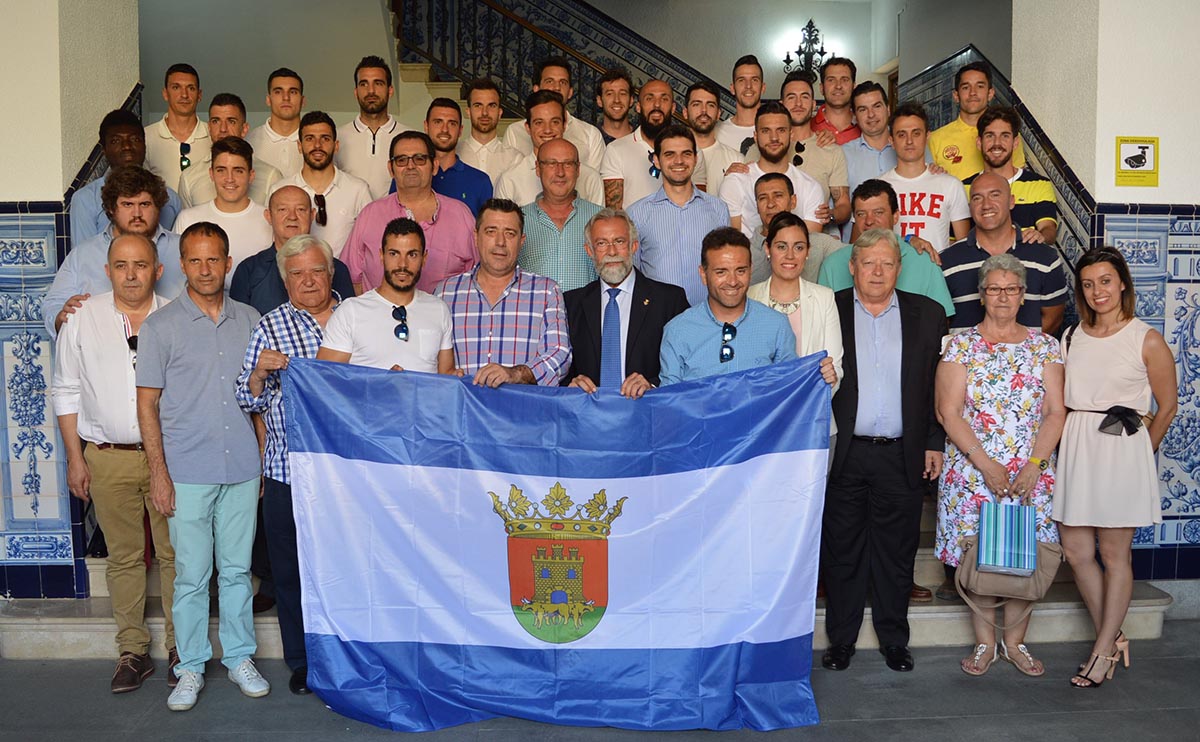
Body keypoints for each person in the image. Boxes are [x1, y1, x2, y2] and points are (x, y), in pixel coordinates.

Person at [136, 222, 266, 711]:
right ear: (181, 266)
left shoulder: (251, 319)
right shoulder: (161, 327)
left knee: (236, 571)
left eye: (214, 260)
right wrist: (158, 472)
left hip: (242, 468)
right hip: (186, 469)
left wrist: (260, 448)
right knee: (191, 574)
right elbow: (147, 405)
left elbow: (260, 398)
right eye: (196, 260)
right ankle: (189, 666)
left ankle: (238, 658)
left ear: (228, 263)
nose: (206, 269)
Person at [51, 233, 177, 694]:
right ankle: (133, 651)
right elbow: (64, 389)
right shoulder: (82, 318)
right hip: (107, 458)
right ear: (107, 270)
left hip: (167, 458)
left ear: (157, 270)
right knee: (123, 558)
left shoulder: (175, 316)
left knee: (175, 555)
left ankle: (182, 648)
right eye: (121, 265)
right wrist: (73, 458)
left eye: (140, 265)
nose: (130, 274)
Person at [934, 253, 1066, 677]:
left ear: (1023, 294)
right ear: (982, 293)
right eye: (994, 288)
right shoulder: (961, 345)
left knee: (1026, 558)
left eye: (1011, 288)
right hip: (974, 472)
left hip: (1031, 473)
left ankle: (1016, 642)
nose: (1003, 296)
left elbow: (1055, 413)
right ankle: (985, 645)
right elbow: (948, 412)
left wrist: (1034, 464)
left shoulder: (1045, 346)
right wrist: (986, 464)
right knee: (981, 558)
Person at [821, 228, 946, 674]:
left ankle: (895, 639)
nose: (877, 271)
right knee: (843, 550)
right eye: (868, 262)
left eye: (887, 262)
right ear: (852, 266)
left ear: (899, 268)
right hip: (845, 452)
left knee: (897, 552)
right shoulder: (828, 309)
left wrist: (934, 441)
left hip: (902, 453)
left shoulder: (928, 314)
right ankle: (841, 641)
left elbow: (936, 387)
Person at [1055, 247, 1177, 688]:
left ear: (1122, 282)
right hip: (1078, 443)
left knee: (1113, 554)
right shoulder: (1073, 336)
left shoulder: (1145, 338)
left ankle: (1102, 650)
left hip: (1121, 447)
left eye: (1105, 281)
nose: (1096, 291)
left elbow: (1168, 406)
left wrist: (1141, 453)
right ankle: (1116, 633)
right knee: (1076, 551)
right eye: (1088, 284)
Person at [236, 234, 341, 696]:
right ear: (284, 280)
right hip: (286, 474)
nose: (307, 281)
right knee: (291, 574)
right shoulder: (270, 326)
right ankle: (302, 662)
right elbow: (243, 394)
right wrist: (259, 372)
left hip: (346, 477)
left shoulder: (357, 318)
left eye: (316, 270)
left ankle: (347, 653)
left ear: (331, 272)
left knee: (345, 568)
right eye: (296, 273)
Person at [436, 199, 571, 386]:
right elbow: (428, 356)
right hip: (461, 411)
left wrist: (515, 374)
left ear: (521, 241)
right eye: (491, 232)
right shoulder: (445, 293)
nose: (500, 242)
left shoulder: (546, 292)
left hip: (521, 412)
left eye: (510, 233)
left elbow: (560, 354)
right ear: (476, 236)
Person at [45, 166, 186, 337]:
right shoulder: (83, 254)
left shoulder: (183, 249)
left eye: (145, 204)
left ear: (158, 207)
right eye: (127, 204)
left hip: (173, 351)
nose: (137, 213)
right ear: (111, 208)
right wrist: (60, 318)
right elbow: (53, 304)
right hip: (101, 353)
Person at [564, 208, 689, 397]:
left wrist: (653, 385)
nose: (612, 251)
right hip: (588, 417)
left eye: (619, 241)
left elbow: (688, 363)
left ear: (633, 246)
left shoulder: (670, 300)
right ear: (589, 251)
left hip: (648, 414)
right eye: (601, 243)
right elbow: (558, 364)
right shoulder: (570, 304)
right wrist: (570, 384)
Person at [659, 228, 802, 384]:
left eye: (740, 271)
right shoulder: (677, 330)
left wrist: (821, 375)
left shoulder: (776, 325)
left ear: (750, 270)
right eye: (721, 272)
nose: (732, 282)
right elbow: (669, 399)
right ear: (703, 274)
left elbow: (790, 389)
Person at [342, 131, 477, 293]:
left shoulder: (461, 215)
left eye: (419, 159)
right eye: (401, 160)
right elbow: (351, 278)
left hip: (444, 317)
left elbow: (477, 276)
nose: (411, 166)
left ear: (434, 166)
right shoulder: (370, 215)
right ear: (391, 169)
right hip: (380, 317)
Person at [318, 219, 455, 372]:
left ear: (424, 258)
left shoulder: (439, 309)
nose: (402, 264)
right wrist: (381, 386)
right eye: (394, 254)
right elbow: (324, 379)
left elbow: (447, 378)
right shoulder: (350, 311)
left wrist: (459, 378)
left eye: (412, 255)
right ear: (381, 255)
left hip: (426, 397)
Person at [940, 172, 1067, 333]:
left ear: (1011, 202)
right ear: (970, 207)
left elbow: (1053, 318)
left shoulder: (1045, 258)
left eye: (995, 195)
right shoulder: (947, 261)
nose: (986, 205)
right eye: (977, 198)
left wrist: (1020, 352)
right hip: (964, 357)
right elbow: (940, 322)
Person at [818, 180, 955, 319]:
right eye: (861, 214)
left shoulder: (924, 261)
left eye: (878, 212)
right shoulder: (833, 264)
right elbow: (820, 322)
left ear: (895, 216)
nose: (869, 221)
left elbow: (942, 320)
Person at [627, 125, 731, 306]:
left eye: (686, 154)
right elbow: (633, 273)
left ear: (696, 159)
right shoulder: (636, 213)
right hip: (657, 319)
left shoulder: (718, 209)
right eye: (669, 154)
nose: (679, 161)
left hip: (708, 317)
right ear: (657, 161)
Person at [747, 212, 843, 392]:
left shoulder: (824, 298)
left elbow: (835, 367)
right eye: (781, 247)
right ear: (768, 249)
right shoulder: (749, 297)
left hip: (812, 412)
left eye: (798, 247)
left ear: (808, 251)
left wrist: (829, 380)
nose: (790, 255)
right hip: (763, 414)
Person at [230, 185, 356, 316]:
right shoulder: (249, 270)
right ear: (268, 216)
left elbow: (350, 319)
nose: (292, 217)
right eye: (282, 209)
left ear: (312, 215)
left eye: (301, 210)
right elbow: (239, 325)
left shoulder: (335, 268)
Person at [719, 101, 824, 244]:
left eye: (781, 130)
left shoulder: (811, 187)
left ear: (791, 134)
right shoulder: (735, 181)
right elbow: (732, 244)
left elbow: (808, 247)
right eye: (765, 131)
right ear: (755, 136)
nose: (774, 138)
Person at [71, 109, 182, 242]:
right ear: (104, 150)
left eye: (135, 139)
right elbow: (86, 258)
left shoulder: (170, 199)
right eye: (116, 141)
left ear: (144, 145)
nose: (127, 146)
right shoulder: (86, 199)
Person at [271, 111, 372, 255]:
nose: (317, 145)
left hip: (343, 276)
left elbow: (369, 243)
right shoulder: (280, 190)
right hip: (291, 276)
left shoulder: (358, 190)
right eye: (310, 138)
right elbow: (272, 242)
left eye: (325, 138)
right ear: (299, 146)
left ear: (336, 145)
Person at [173, 136, 272, 283]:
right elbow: (177, 275)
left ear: (251, 176)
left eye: (238, 171)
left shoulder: (269, 220)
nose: (229, 179)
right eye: (221, 170)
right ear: (211, 174)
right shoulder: (188, 219)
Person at [876, 103, 970, 253]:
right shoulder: (878, 187)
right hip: (891, 273)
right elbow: (868, 241)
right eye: (901, 134)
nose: (909, 141)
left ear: (927, 136)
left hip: (937, 273)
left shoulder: (950, 185)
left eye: (916, 133)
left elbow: (964, 246)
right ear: (891, 141)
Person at [601, 78, 706, 209]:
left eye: (664, 99)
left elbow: (700, 205)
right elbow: (614, 212)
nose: (657, 105)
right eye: (649, 99)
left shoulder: (692, 151)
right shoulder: (616, 150)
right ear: (638, 107)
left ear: (673, 108)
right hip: (632, 228)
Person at [963, 106, 1057, 243]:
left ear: (1015, 142)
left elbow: (1048, 229)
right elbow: (956, 240)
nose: (997, 143)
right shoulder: (963, 187)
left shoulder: (1039, 185)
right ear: (979, 143)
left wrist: (1040, 236)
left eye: (1005, 136)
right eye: (990, 136)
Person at [517, 139, 601, 292]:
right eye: (551, 163)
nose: (560, 172)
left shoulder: (600, 218)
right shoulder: (519, 220)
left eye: (568, 164)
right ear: (537, 168)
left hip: (584, 315)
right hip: (534, 314)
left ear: (578, 169)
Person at [495, 90, 605, 207]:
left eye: (555, 122)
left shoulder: (590, 178)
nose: (547, 130)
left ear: (564, 125)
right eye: (539, 123)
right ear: (528, 128)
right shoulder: (510, 180)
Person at [179, 94, 283, 209]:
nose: (223, 129)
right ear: (209, 127)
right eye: (216, 121)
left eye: (231, 121)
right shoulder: (189, 177)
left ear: (244, 129)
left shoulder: (271, 176)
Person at [502, 57, 605, 170]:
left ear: (570, 92)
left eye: (563, 82)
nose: (556, 87)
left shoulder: (590, 134)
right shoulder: (515, 132)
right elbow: (509, 175)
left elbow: (594, 181)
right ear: (536, 89)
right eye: (549, 81)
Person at [928, 62, 1027, 180]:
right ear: (956, 95)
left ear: (990, 93)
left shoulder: (1007, 135)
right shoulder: (935, 139)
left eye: (980, 86)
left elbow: (1017, 180)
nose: (973, 93)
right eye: (966, 87)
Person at [778, 70, 850, 231]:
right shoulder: (765, 146)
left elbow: (844, 205)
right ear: (781, 104)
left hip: (815, 239)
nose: (798, 103)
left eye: (804, 97)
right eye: (791, 97)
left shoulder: (831, 150)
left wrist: (830, 214)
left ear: (813, 104)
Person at [336, 56, 409, 199]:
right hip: (352, 220)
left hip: (397, 219)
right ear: (356, 92)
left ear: (390, 90)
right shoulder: (338, 137)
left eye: (378, 83)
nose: (371, 91)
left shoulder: (410, 137)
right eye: (364, 84)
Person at [751, 173, 841, 284]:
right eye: (763, 198)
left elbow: (860, 254)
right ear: (757, 206)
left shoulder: (820, 243)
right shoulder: (745, 251)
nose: (770, 204)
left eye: (778, 196)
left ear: (793, 201)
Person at [144, 63, 210, 191]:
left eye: (191, 88)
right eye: (176, 87)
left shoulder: (213, 135)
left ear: (199, 95)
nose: (184, 95)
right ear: (165, 94)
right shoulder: (147, 137)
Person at [424, 98, 493, 215]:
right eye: (438, 122)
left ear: (460, 130)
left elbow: (485, 229)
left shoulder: (480, 181)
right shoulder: (410, 174)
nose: (445, 129)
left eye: (452, 123)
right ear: (426, 126)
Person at [457, 78, 523, 186]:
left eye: (491, 106)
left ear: (500, 112)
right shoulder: (456, 154)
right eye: (478, 105)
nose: (485, 113)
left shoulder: (515, 159)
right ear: (468, 112)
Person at [684, 81, 742, 197]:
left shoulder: (736, 159)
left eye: (710, 105)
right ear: (685, 112)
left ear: (718, 114)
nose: (704, 111)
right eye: (697, 104)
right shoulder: (672, 157)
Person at [247, 68, 305, 177]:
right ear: (268, 100)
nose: (286, 98)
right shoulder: (249, 142)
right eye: (278, 92)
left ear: (303, 101)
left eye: (293, 92)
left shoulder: (316, 142)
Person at [843, 82, 897, 200]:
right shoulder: (843, 155)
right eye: (863, 109)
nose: (871, 114)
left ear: (888, 109)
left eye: (877, 106)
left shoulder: (909, 146)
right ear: (855, 116)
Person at [714, 55, 763, 155]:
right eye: (741, 80)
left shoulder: (776, 131)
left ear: (763, 88)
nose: (748, 86)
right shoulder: (716, 133)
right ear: (732, 88)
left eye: (754, 80)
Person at [812, 57, 861, 145]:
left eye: (844, 80)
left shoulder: (866, 126)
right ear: (822, 88)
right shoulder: (808, 127)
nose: (838, 86)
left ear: (854, 86)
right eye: (831, 80)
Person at [594, 68, 634, 144]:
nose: (616, 100)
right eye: (609, 94)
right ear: (599, 101)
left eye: (622, 94)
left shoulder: (642, 138)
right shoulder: (590, 138)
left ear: (631, 100)